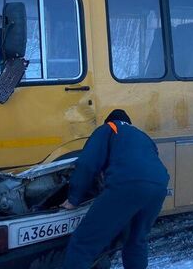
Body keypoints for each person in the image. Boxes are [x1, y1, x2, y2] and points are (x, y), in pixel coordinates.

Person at [61, 109, 169, 269]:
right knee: (136, 240)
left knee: (83, 243)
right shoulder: (141, 135)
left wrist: (74, 198)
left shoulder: (109, 128)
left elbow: (87, 164)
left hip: (127, 184)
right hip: (159, 185)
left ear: (109, 121)